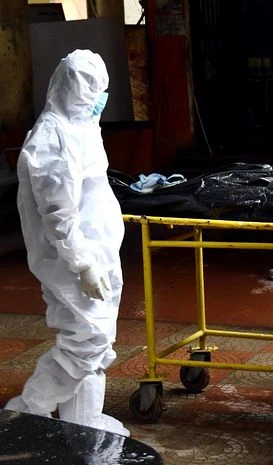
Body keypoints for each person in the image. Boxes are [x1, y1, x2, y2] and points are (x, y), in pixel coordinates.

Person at [4, 50, 129, 437]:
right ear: (75, 89)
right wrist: (83, 264)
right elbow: (59, 214)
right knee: (86, 342)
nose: (101, 98)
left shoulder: (83, 124)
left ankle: (84, 422)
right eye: (96, 90)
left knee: (94, 340)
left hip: (97, 254)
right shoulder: (52, 140)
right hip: (73, 262)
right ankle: (27, 414)